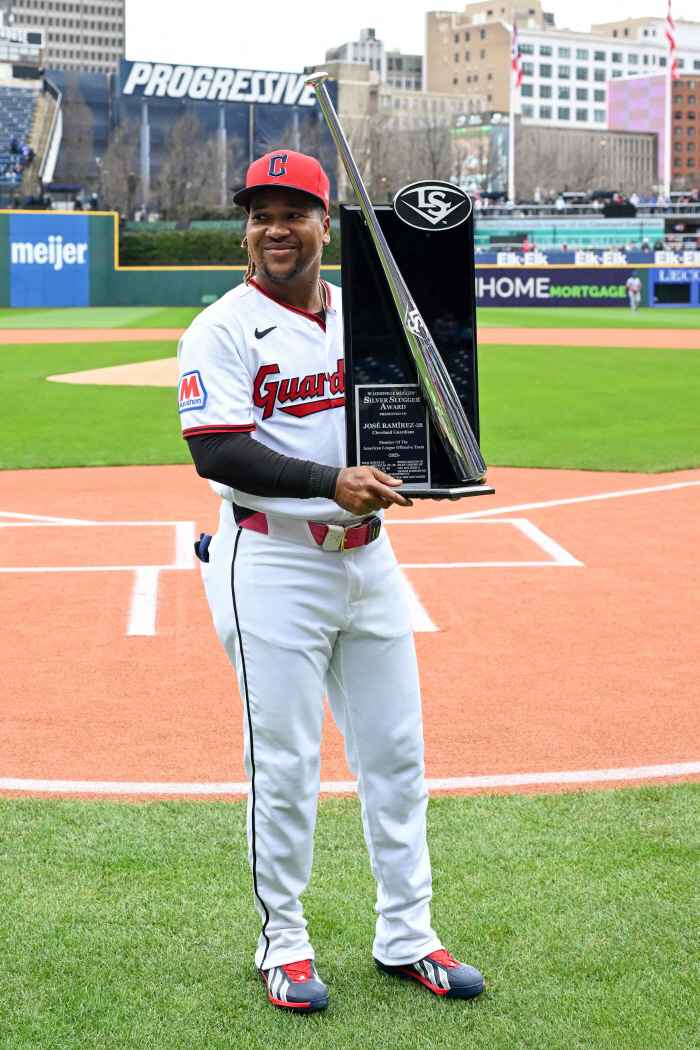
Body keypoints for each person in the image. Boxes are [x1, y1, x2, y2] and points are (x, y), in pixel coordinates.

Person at [177, 150, 486, 1015]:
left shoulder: (370, 318)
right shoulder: (222, 327)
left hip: (367, 555)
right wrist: (328, 484)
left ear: (326, 226)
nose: (274, 229)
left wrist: (435, 458)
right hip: (270, 557)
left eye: (293, 212)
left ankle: (408, 933)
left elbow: (411, 405)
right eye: (259, 214)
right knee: (285, 763)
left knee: (395, 752)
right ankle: (284, 943)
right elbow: (219, 451)